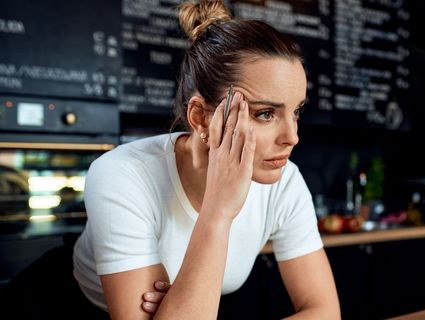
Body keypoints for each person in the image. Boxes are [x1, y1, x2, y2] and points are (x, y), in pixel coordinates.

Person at [71, 0, 340, 319]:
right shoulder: (122, 175)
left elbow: (324, 311)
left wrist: (177, 306)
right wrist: (218, 212)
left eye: (295, 111)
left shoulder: (285, 181)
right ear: (200, 118)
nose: (292, 136)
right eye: (265, 113)